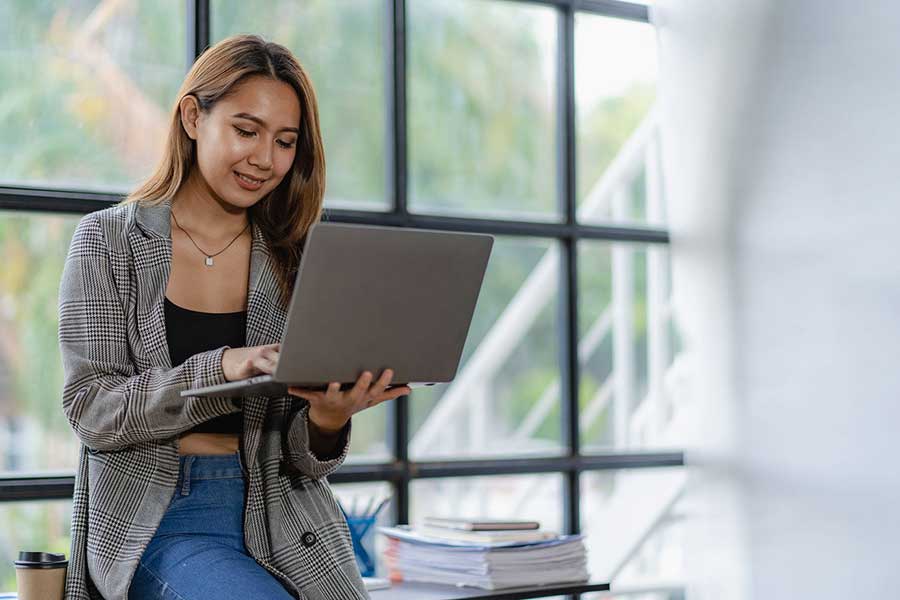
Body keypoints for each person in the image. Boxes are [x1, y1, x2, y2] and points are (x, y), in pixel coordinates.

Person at [57, 34, 410, 600]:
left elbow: (304, 462)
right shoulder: (109, 241)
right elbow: (94, 412)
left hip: (291, 524)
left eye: (285, 141)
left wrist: (327, 420)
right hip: (162, 520)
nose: (265, 159)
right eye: (246, 131)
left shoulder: (295, 254)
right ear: (194, 117)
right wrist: (220, 367)